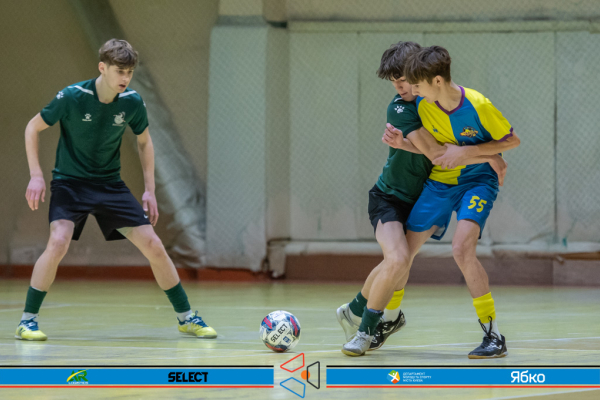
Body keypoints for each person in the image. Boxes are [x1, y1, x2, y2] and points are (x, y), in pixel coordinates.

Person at [16, 39, 216, 341]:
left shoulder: (132, 102)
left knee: (154, 245)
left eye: (130, 72)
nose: (125, 78)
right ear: (102, 67)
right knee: (58, 242)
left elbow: (145, 141)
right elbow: (33, 127)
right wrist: (36, 175)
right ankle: (27, 322)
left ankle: (186, 318)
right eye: (120, 71)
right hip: (70, 184)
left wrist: (149, 190)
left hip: (109, 185)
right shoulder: (72, 96)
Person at [338, 41, 507, 357]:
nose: (401, 87)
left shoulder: (442, 101)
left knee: (437, 253)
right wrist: (490, 156)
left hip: (442, 186)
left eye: (404, 80)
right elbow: (437, 153)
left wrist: (489, 153)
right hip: (397, 195)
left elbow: (461, 143)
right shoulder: (402, 107)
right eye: (394, 82)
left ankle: (491, 333)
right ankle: (375, 322)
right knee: (399, 258)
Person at [385, 45, 521, 358]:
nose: (412, 90)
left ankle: (493, 335)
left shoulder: (477, 104)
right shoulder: (423, 105)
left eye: (416, 84)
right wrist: (403, 144)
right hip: (441, 181)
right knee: (403, 253)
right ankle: (389, 319)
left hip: (478, 182)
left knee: (461, 249)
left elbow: (512, 140)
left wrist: (473, 153)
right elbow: (436, 151)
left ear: (437, 81)